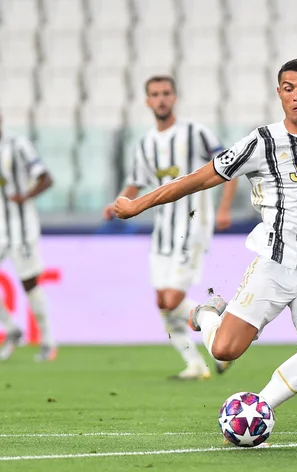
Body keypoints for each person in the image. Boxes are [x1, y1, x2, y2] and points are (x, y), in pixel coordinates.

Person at [113, 59, 297, 411]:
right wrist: (138, 205)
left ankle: (258, 409)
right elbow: (198, 178)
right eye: (290, 89)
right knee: (223, 350)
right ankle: (207, 312)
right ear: (279, 94)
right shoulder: (262, 141)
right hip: (275, 266)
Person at [103, 76, 238, 380]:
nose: (161, 99)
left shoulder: (196, 133)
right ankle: (196, 363)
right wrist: (119, 202)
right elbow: (136, 182)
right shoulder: (147, 143)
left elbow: (231, 168)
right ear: (147, 101)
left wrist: (225, 207)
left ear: (175, 97)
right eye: (155, 94)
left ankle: (219, 320)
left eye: (166, 93)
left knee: (173, 300)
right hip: (163, 229)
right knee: (161, 302)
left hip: (193, 225)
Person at [0, 110, 57, 362]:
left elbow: (46, 178)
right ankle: (11, 329)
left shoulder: (17, 145)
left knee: (29, 283)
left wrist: (26, 196)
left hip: (21, 228)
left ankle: (47, 342)